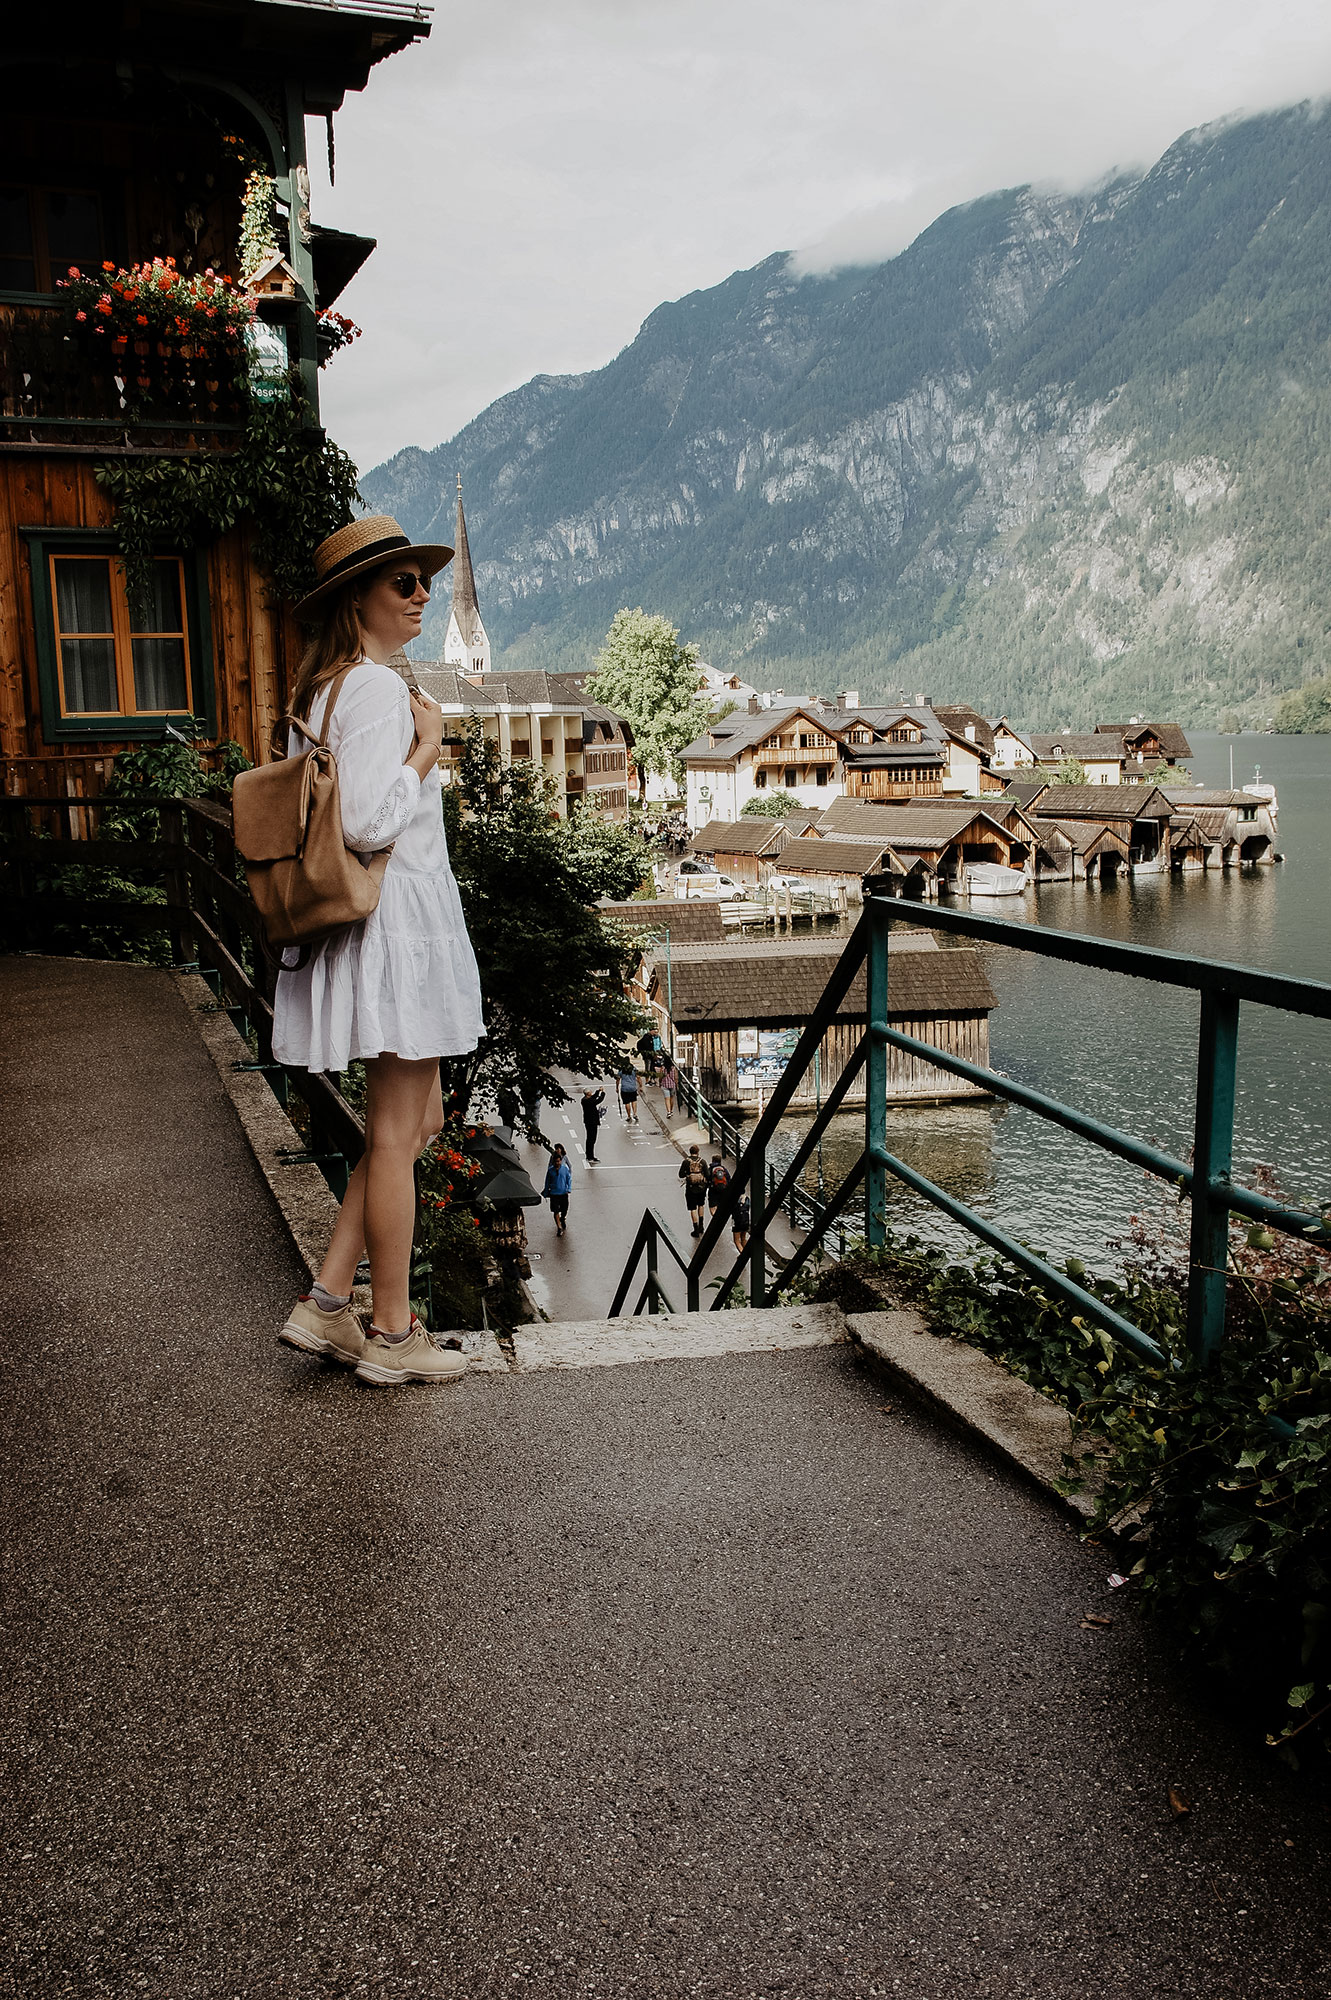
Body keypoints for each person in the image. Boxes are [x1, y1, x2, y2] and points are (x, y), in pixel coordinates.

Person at [272, 517, 485, 1388]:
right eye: (402, 582)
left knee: (417, 1121)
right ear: (356, 598)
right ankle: (392, 1336)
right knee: (397, 1134)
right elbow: (363, 822)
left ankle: (326, 1305)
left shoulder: (320, 692)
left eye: (423, 580)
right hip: (396, 925)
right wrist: (428, 751)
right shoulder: (370, 691)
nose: (422, 593)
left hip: (384, 925)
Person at [680, 1143, 708, 1236]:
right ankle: (701, 1226)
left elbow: (680, 1175)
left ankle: (695, 1229)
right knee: (701, 1205)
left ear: (690, 1152)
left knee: (692, 1208)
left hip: (691, 1188)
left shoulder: (686, 1162)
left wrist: (688, 1174)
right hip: (701, 1187)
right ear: (698, 1152)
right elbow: (707, 1175)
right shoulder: (702, 1162)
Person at [544, 1143, 572, 1235]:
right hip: (554, 1194)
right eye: (555, 1162)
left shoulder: (564, 1169)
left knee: (564, 1209)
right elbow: (547, 1181)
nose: (557, 1163)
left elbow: (568, 1179)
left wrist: (569, 1188)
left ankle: (562, 1218)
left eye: (559, 1161)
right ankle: (559, 1228)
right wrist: (545, 1191)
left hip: (563, 1193)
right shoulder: (550, 1171)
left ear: (561, 1161)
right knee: (555, 1211)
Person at [580, 1083, 606, 1162]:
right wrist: (603, 1094)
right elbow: (598, 1100)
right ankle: (590, 1156)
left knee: (590, 1139)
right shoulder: (589, 1101)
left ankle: (589, 1155)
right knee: (592, 1139)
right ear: (588, 1093)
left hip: (588, 1121)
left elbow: (594, 1097)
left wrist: (598, 1091)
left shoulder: (584, 1099)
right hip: (592, 1122)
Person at [706, 1154, 731, 1226]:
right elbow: (729, 1179)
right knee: (720, 1206)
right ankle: (719, 1220)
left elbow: (707, 1179)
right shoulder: (724, 1169)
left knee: (712, 1207)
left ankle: (715, 1218)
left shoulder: (710, 1169)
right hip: (723, 1190)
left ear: (712, 1160)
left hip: (713, 1190)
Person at [731, 1190, 751, 1255]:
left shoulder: (735, 1199)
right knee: (743, 1238)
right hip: (746, 1219)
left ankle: (743, 1256)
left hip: (737, 1220)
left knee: (736, 1240)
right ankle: (746, 1252)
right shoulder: (747, 1198)